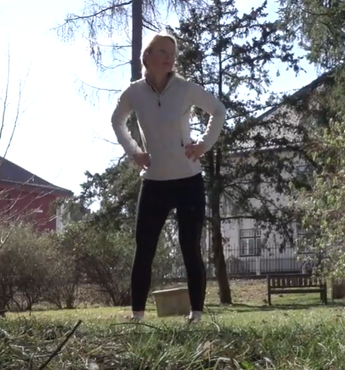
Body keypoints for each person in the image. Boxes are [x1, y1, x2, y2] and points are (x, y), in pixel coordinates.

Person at [111, 32, 226, 324]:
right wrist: (135, 152)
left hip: (188, 181)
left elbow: (218, 110)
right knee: (144, 249)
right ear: (146, 56)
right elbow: (117, 120)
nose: (168, 56)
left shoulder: (185, 89)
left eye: (172, 52)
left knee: (190, 248)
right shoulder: (134, 93)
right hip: (154, 183)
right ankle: (137, 315)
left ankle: (196, 315)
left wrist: (203, 145)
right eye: (162, 51)